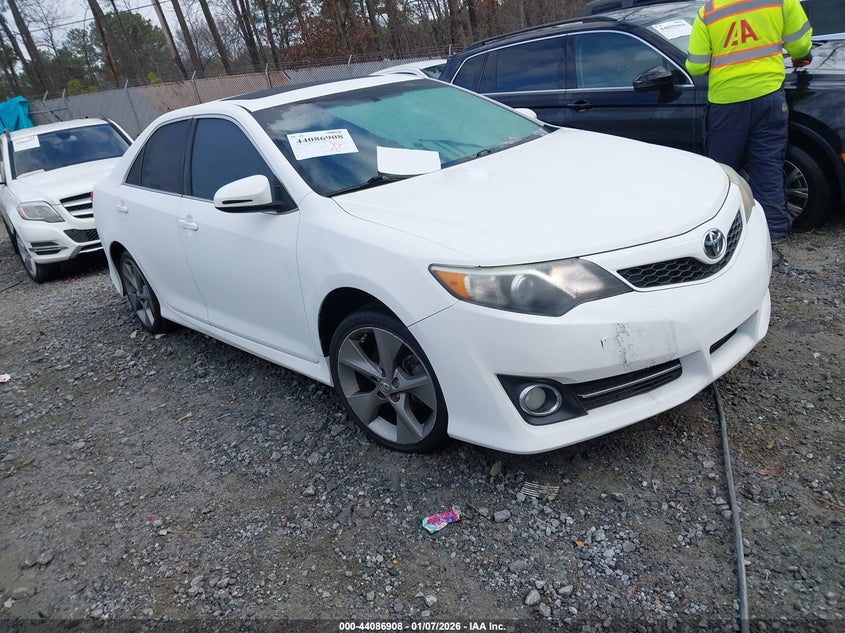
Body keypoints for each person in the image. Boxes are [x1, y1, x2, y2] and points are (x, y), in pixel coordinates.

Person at [685, 0, 813, 245]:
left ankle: (722, 236)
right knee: (767, 166)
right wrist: (800, 55)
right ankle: (773, 234)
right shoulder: (781, 1)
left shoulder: (709, 12)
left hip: (727, 101)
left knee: (723, 172)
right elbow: (799, 46)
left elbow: (697, 65)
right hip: (768, 95)